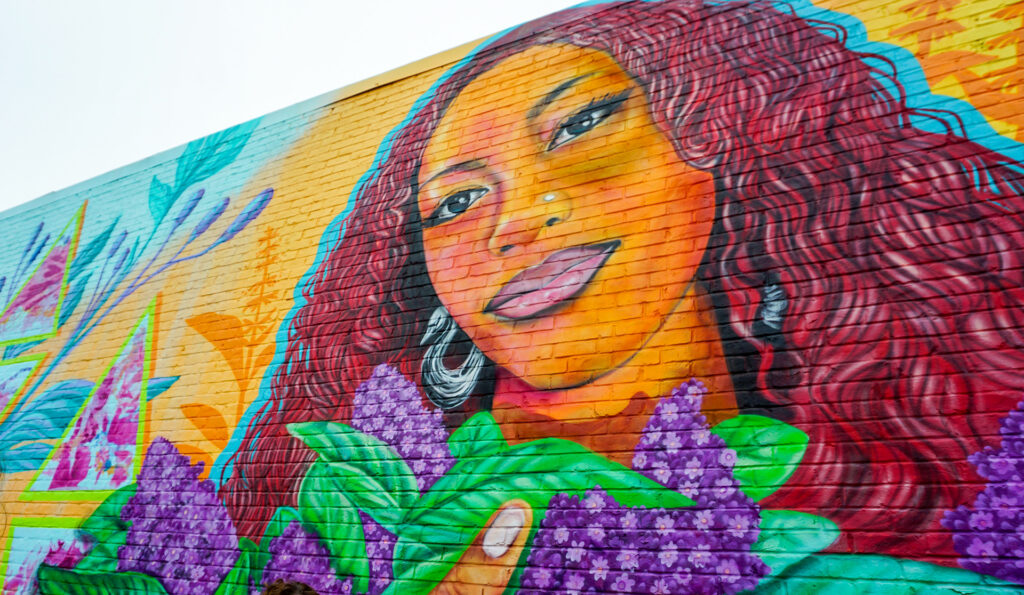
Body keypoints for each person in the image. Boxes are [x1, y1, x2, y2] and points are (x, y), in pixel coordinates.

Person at [222, 0, 1024, 565]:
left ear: (722, 141)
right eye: (456, 202)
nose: (513, 224)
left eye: (580, 127)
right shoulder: (394, 515)